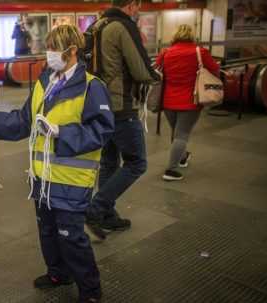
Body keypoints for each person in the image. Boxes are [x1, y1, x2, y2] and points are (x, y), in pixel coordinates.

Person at [0, 25, 114, 303]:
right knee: (47, 230)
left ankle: (90, 291)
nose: (49, 55)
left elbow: (103, 131)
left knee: (71, 236)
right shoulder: (44, 81)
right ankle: (58, 273)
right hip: (42, 176)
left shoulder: (92, 87)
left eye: (55, 49)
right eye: (47, 47)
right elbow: (24, 120)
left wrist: (62, 133)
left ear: (72, 51)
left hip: (71, 179)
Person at [85, 0, 159, 240]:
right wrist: (155, 76)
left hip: (99, 104)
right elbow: (140, 69)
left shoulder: (98, 25)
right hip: (121, 105)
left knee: (109, 161)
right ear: (132, 4)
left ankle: (107, 214)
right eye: (137, 6)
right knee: (137, 163)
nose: (138, 11)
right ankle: (96, 208)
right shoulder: (123, 26)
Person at [156, 25, 219, 181]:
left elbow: (157, 69)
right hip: (190, 101)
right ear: (192, 36)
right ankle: (170, 170)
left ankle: (182, 157)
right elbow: (215, 69)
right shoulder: (200, 52)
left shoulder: (166, 53)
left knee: (176, 132)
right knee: (182, 134)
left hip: (168, 101)